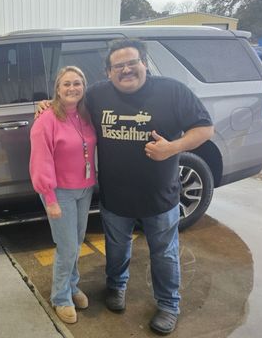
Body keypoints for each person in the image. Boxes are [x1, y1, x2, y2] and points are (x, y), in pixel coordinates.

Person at [37, 40, 214, 334]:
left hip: (160, 197)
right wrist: (45, 105)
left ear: (144, 62)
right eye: (118, 66)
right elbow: (67, 106)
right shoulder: (96, 95)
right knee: (117, 250)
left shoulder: (172, 91)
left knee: (165, 253)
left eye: (132, 62)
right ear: (108, 72)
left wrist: (173, 148)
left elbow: (205, 128)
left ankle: (169, 304)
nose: (126, 69)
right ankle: (116, 287)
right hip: (115, 197)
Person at [29, 66, 97, 324]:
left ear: (84, 86)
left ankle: (72, 285)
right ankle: (60, 297)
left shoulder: (86, 114)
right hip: (60, 192)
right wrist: (50, 199)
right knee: (67, 246)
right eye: (66, 84)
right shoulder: (46, 119)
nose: (72, 88)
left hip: (85, 188)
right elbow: (40, 162)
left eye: (77, 83)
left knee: (77, 242)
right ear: (57, 89)